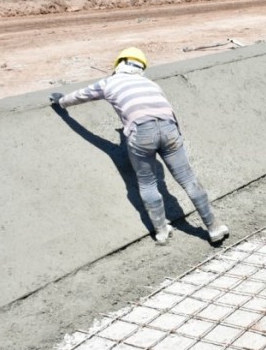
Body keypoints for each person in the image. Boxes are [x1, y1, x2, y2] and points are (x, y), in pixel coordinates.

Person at [49, 47, 229, 245]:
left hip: (141, 133)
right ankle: (214, 227)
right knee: (188, 179)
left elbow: (80, 96)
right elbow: (170, 111)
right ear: (141, 67)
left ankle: (161, 232)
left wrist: (61, 101)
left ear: (119, 63)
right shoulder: (150, 83)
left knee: (148, 184)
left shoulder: (110, 82)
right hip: (170, 129)